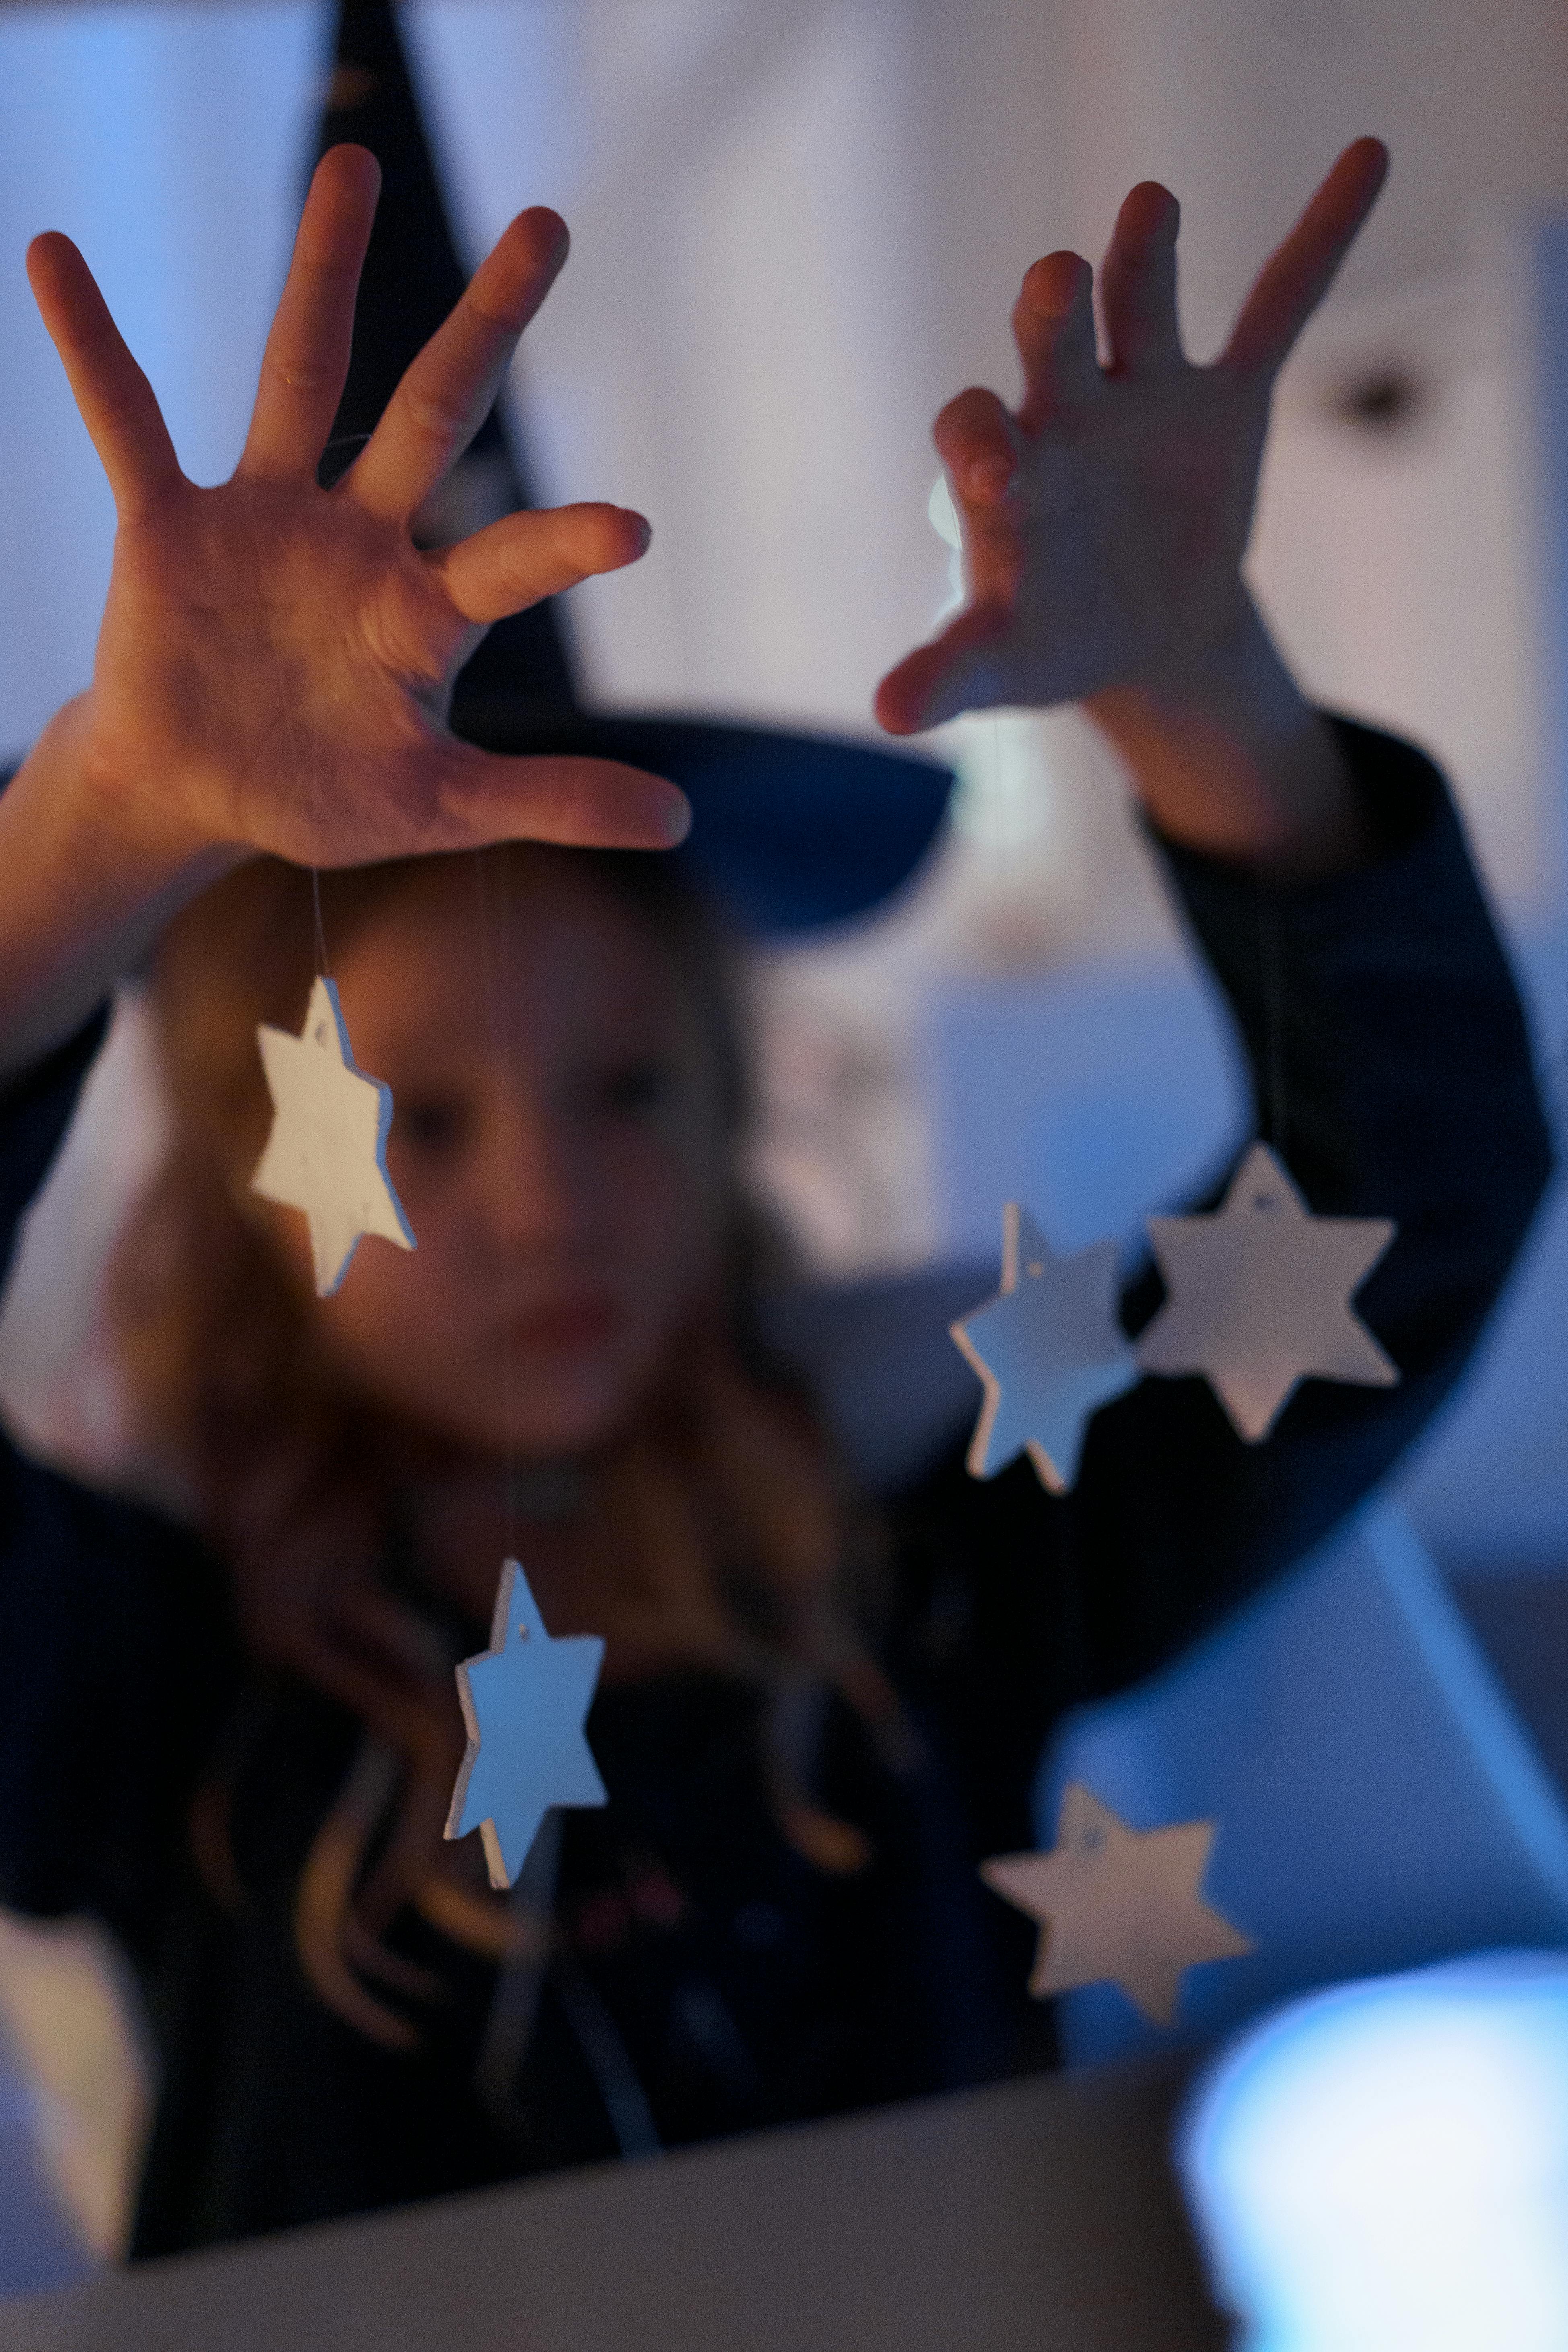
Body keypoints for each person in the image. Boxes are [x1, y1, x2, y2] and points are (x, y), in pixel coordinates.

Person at [0, 135, 1549, 2255]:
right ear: (242, 1169)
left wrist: (1209, 697)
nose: (550, 1198)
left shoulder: (925, 1572)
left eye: (629, 1087)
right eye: (421, 1121)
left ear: (737, 1105)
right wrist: (90, 828)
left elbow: (1405, 1215)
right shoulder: (154, 1680)